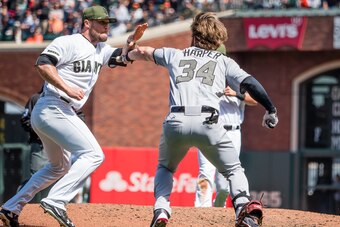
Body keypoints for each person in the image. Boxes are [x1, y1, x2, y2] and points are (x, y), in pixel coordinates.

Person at [121, 12, 278, 227]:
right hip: (209, 122)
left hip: (176, 121)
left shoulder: (175, 54)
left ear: (194, 35)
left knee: (166, 168)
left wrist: (128, 49)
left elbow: (142, 52)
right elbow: (251, 83)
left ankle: (161, 211)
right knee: (233, 170)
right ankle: (243, 209)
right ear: (217, 39)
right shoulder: (224, 61)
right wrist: (270, 109)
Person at [0, 5, 126, 227]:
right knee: (94, 154)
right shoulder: (69, 42)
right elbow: (43, 63)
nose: (106, 25)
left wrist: (133, 46)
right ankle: (56, 201)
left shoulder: (101, 49)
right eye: (102, 22)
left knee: (59, 167)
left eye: (108, 22)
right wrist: (66, 88)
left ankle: (11, 208)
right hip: (54, 106)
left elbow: (121, 57)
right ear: (87, 23)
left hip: (56, 111)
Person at [194, 44, 258, 208]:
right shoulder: (204, 78)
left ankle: (218, 209)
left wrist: (236, 94)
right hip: (209, 128)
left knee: (224, 184)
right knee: (205, 172)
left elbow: (254, 100)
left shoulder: (235, 78)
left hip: (232, 132)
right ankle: (201, 212)